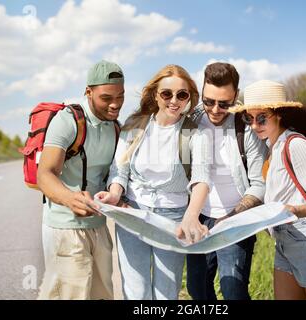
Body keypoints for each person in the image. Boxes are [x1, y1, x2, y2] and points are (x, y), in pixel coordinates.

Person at [96, 64, 211, 300]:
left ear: (189, 96)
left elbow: (201, 179)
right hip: (133, 214)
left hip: (173, 218)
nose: (174, 101)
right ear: (155, 95)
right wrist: (115, 194)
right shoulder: (135, 124)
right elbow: (120, 169)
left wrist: (191, 216)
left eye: (182, 94)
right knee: (135, 291)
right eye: (167, 94)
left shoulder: (193, 133)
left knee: (166, 294)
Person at [229, 80, 306, 300]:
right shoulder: (272, 146)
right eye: (249, 118)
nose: (255, 125)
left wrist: (292, 210)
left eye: (262, 117)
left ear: (280, 114)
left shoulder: (296, 145)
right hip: (286, 244)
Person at [36, 60, 125, 299]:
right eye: (106, 97)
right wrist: (70, 199)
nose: (115, 104)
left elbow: (116, 173)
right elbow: (44, 174)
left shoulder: (115, 127)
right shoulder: (68, 120)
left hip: (99, 227)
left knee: (103, 294)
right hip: (65, 227)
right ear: (88, 92)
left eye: (120, 96)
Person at [185, 62, 267, 300]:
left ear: (235, 96)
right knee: (197, 289)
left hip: (235, 219)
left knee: (233, 292)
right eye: (209, 101)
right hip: (198, 217)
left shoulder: (246, 127)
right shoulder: (190, 121)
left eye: (224, 104)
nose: (215, 109)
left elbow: (259, 184)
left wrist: (229, 218)